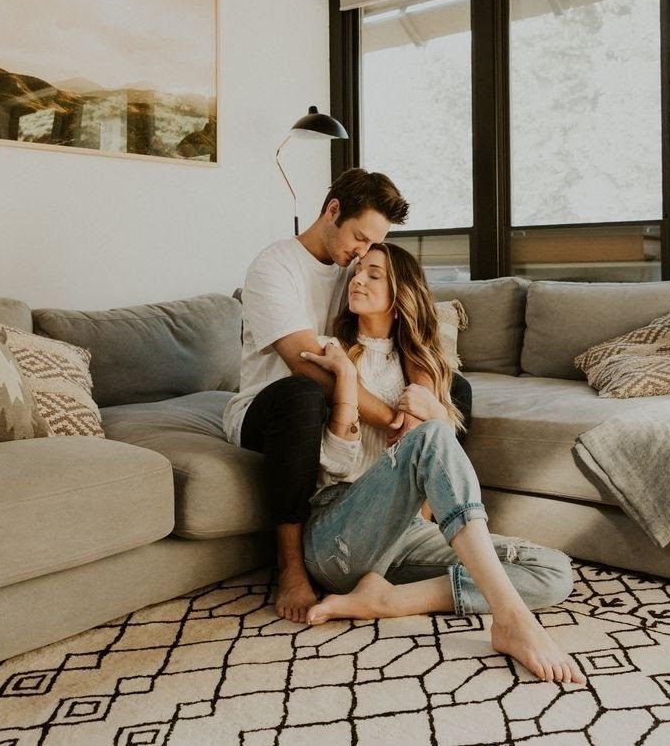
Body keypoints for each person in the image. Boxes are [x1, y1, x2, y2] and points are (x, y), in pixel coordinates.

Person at [299, 243, 586, 685]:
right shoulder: (333, 351)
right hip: (339, 533)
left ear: (401, 294)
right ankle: (512, 619)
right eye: (357, 272)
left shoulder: (426, 369)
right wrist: (346, 386)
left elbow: (439, 475)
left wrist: (435, 414)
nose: (357, 280)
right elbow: (333, 466)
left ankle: (389, 600)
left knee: (553, 571)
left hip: (405, 537)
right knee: (433, 434)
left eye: (374, 275)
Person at [223, 168, 473, 623]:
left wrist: (422, 399)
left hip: (334, 405)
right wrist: (397, 422)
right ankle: (292, 567)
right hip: (269, 408)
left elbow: (407, 323)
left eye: (369, 245)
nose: (362, 253)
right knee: (303, 395)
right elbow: (307, 365)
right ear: (332, 210)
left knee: (457, 390)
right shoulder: (274, 267)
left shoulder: (352, 267)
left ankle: (424, 520)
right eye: (358, 237)